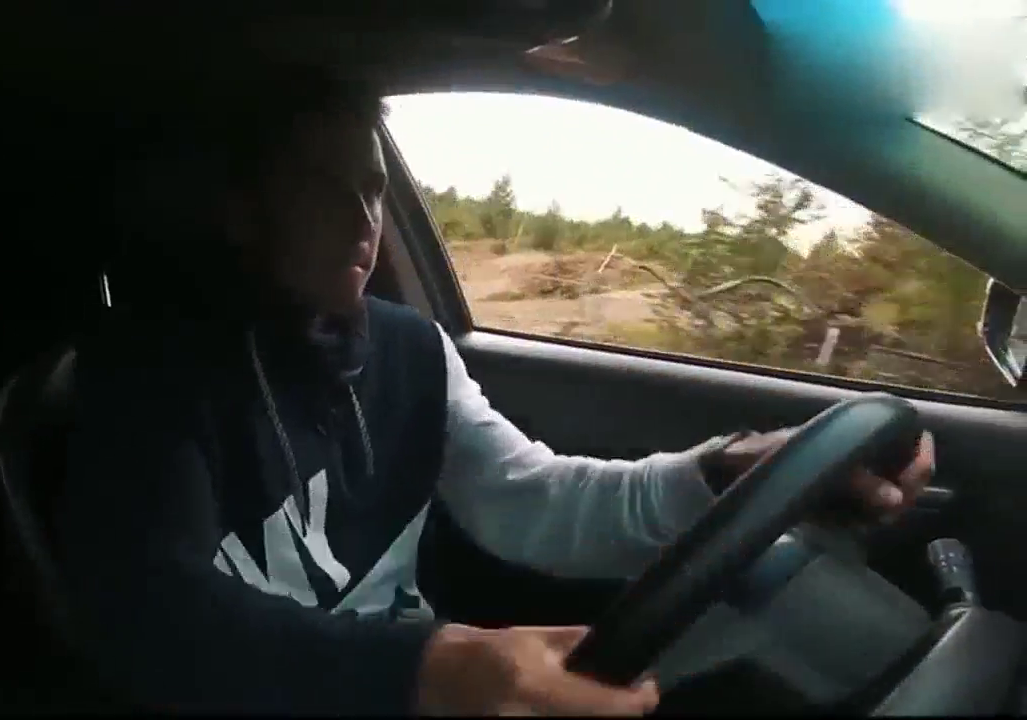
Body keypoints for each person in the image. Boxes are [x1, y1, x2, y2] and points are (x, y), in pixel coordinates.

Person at [56, 65, 936, 716]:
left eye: (373, 188)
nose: (364, 221)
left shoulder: (408, 349)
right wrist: (431, 669)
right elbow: (156, 620)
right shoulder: (145, 387)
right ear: (238, 210)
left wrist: (725, 471)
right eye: (324, 189)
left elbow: (533, 501)